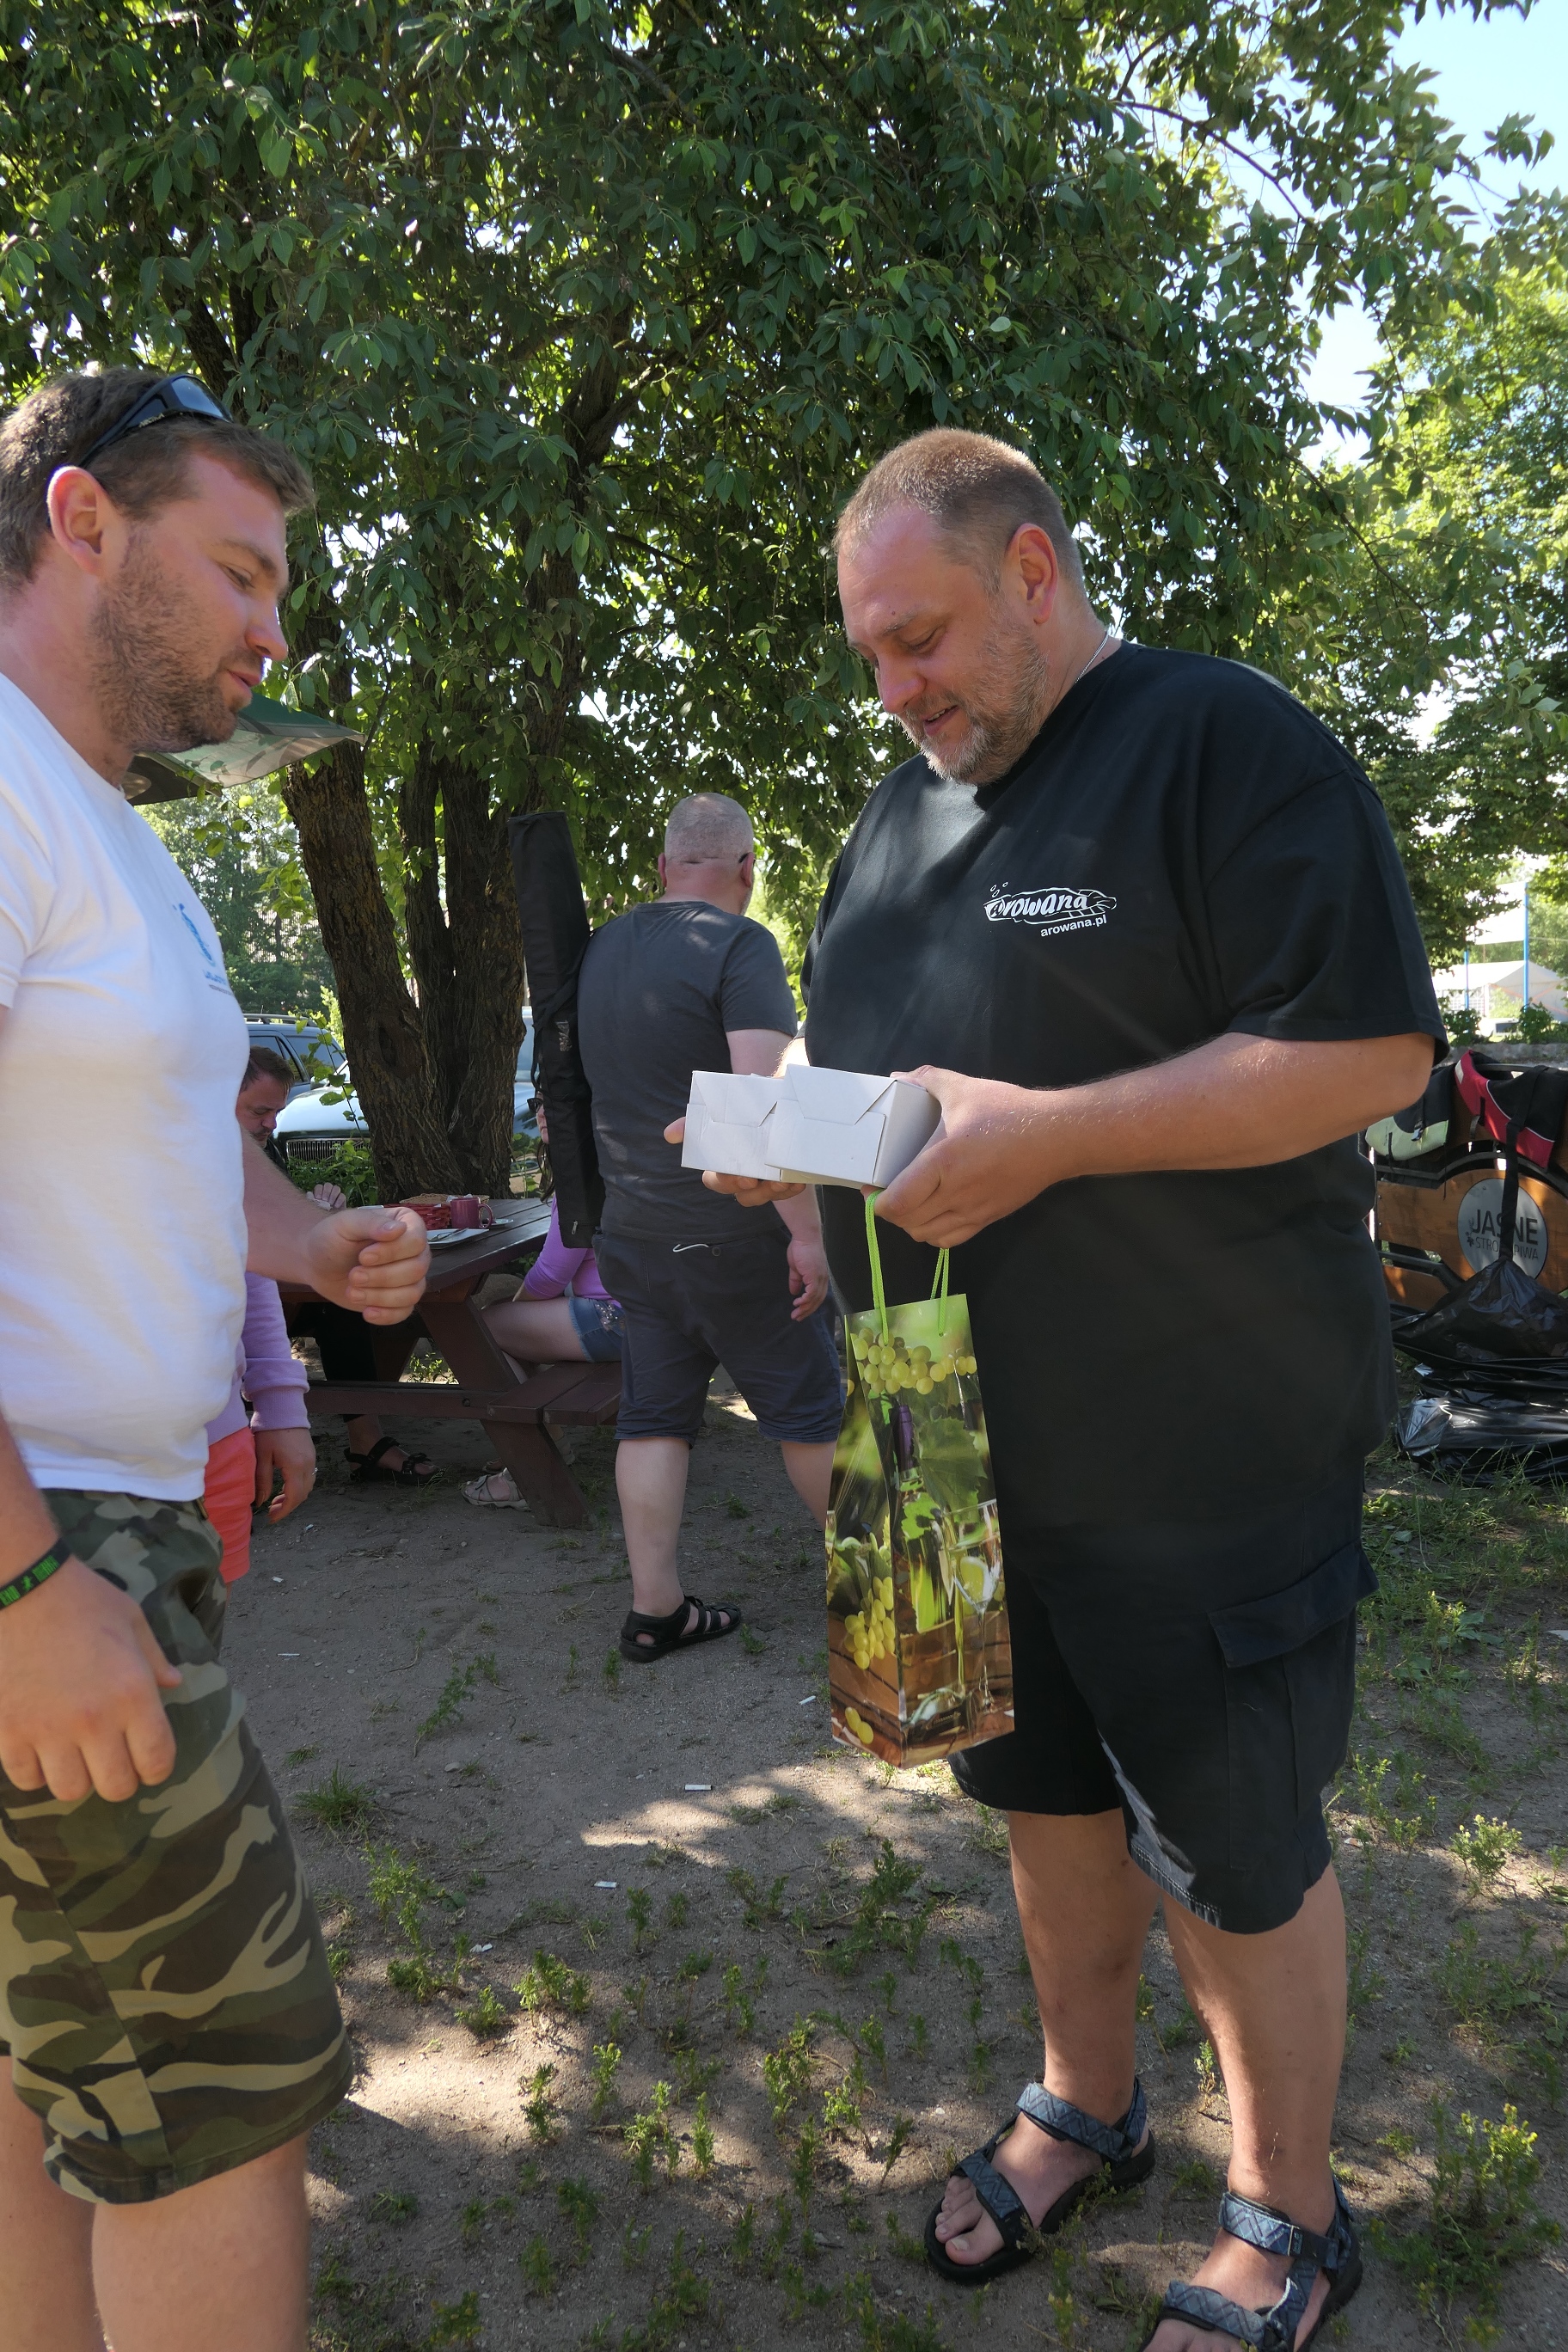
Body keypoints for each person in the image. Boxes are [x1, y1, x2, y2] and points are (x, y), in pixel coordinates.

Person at [695, 432, 1442, 2352]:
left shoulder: (1217, 743)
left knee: (1234, 1849)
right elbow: (894, 1085)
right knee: (1031, 1794)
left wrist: (1050, 1135)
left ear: (1033, 572)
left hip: (1194, 1433)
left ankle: (1287, 2214)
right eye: (870, 654)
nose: (895, 686)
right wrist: (792, 1145)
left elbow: (1369, 1052)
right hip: (929, 1429)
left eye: (922, 637)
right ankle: (1083, 2105)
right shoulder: (889, 822)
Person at [0, 365, 430, 2352]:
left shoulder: (101, 821)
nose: (275, 628)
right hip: (53, 1538)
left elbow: (168, 1138)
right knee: (225, 2102)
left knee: (60, 2079)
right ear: (81, 517)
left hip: (114, 1530)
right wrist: (22, 1585)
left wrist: (306, 1241)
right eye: (243, 570)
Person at [576, 792, 843, 1663]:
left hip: (632, 1233)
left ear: (663, 867)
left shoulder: (602, 946)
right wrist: (808, 1236)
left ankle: (655, 1609)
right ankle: (890, 1593)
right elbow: (756, 1110)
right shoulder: (740, 944)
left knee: (652, 1418)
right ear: (748, 870)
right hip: (731, 1234)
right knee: (811, 1414)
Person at [240, 1047, 437, 1485]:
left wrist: (317, 1217)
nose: (271, 1124)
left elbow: (270, 1234)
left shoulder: (261, 1151)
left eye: (277, 1112)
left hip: (271, 1301)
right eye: (259, 1112)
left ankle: (366, 1441)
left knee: (343, 1304)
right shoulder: (184, 1161)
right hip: (223, 1324)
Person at [465, 1112, 625, 1510]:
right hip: (655, 1315)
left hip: (617, 1320)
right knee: (507, 1321)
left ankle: (528, 1468)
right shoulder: (622, 1160)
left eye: (555, 1100)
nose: (542, 1111)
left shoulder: (582, 1177)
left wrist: (517, 1310)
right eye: (539, 1100)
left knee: (483, 1328)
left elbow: (552, 1273)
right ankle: (544, 1444)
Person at [203, 1069, 319, 1584]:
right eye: (259, 1111)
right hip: (65, 1458)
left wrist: (280, 1408)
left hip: (217, 1438)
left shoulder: (225, 1164)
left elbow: (249, 1275)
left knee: (203, 1625)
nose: (270, 1124)